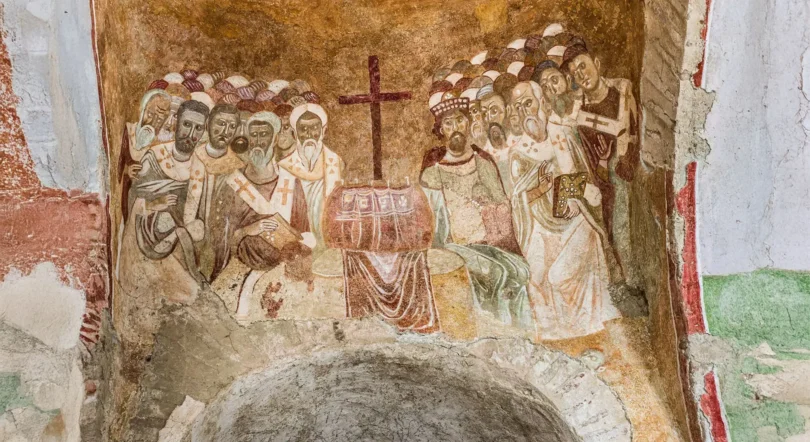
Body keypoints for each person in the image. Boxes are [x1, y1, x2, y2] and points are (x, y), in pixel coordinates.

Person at [519, 62, 619, 339]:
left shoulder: (583, 108)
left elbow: (612, 133)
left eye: (555, 80)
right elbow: (566, 170)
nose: (552, 88)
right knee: (551, 274)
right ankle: (579, 325)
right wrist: (575, 197)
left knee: (561, 273)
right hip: (582, 206)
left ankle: (594, 319)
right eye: (546, 86)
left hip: (605, 188)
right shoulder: (554, 126)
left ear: (566, 78)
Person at [420, 96, 532, 330]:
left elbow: (502, 205)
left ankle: (520, 332)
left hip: (491, 243)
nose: (455, 128)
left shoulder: (482, 162)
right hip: (453, 246)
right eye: (448, 123)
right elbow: (430, 218)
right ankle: (495, 330)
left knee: (519, 271)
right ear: (440, 130)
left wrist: (490, 207)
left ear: (468, 123)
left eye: (460, 121)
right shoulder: (433, 170)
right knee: (496, 273)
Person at [213, 111, 312, 318]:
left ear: (275, 139)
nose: (258, 141)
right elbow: (219, 237)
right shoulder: (232, 184)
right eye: (254, 135)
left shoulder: (291, 182)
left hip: (284, 269)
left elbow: (305, 234)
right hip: (240, 267)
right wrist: (248, 230)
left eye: (264, 135)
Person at [562, 43, 640, 286]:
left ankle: (632, 280)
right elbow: (582, 161)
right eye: (574, 73)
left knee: (627, 227)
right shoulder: (579, 113)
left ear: (596, 63)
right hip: (602, 185)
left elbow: (634, 133)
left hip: (628, 177)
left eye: (583, 66)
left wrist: (621, 158)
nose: (581, 75)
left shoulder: (622, 91)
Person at [117, 100, 210, 299]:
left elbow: (192, 214)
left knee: (190, 292)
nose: (191, 133)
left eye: (198, 128)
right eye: (187, 124)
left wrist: (188, 230)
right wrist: (156, 204)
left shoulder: (199, 168)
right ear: (176, 123)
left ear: (203, 133)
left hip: (176, 242)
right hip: (143, 239)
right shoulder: (154, 156)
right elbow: (133, 199)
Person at [183, 104, 245, 278]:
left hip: (223, 238)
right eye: (221, 124)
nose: (225, 131)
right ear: (208, 123)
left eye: (232, 126)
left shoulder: (238, 165)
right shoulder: (193, 155)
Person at [276, 103, 344, 256]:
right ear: (295, 134)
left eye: (314, 128)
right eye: (303, 129)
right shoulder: (285, 167)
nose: (309, 134)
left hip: (327, 237)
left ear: (323, 131)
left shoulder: (335, 162)